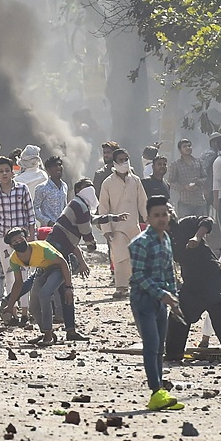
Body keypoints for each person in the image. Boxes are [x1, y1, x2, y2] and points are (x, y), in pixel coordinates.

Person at [45, 179, 128, 341]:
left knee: (57, 288)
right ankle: (66, 329)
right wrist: (91, 244)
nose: (90, 188)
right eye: (86, 186)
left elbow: (92, 219)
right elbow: (86, 229)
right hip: (58, 250)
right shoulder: (78, 205)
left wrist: (114, 218)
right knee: (60, 289)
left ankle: (68, 329)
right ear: (78, 190)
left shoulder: (79, 205)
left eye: (91, 185)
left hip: (60, 249)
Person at [128, 195, 184, 411]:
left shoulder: (166, 239)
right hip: (144, 300)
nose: (161, 219)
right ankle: (155, 392)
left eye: (164, 214)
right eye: (156, 215)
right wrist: (162, 294)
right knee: (151, 345)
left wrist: (173, 297)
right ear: (148, 218)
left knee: (160, 346)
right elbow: (139, 276)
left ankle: (160, 390)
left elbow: (169, 270)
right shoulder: (140, 243)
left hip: (162, 300)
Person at [164, 215, 221, 360]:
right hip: (191, 280)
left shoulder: (186, 224)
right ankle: (173, 354)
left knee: (214, 308)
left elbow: (207, 220)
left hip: (210, 274)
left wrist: (197, 237)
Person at [0, 229, 75, 347]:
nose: (19, 242)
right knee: (33, 308)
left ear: (26, 238)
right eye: (15, 241)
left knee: (44, 295)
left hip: (58, 269)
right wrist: (10, 305)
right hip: (42, 270)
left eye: (21, 239)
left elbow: (63, 263)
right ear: (11, 245)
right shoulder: (14, 259)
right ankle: (46, 332)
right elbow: (18, 283)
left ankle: (48, 335)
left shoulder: (40, 249)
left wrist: (68, 287)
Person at [0, 155, 37, 313]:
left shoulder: (22, 189)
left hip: (21, 238)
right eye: (0, 171)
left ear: (12, 172)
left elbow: (30, 214)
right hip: (4, 237)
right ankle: (12, 309)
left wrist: (31, 234)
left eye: (7, 170)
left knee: (24, 271)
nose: (4, 174)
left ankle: (25, 310)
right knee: (9, 272)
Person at [99, 148, 146, 299]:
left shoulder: (135, 180)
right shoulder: (108, 183)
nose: (124, 162)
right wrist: (106, 228)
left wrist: (149, 220)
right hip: (116, 227)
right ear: (114, 162)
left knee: (136, 257)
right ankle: (121, 287)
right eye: (121, 160)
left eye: (126, 159)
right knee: (120, 257)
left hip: (133, 225)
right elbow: (103, 207)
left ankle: (137, 285)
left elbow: (143, 203)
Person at [167, 139, 209, 216]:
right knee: (185, 226)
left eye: (189, 146)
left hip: (200, 201)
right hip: (185, 201)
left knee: (202, 225)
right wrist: (184, 187)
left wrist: (198, 183)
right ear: (180, 150)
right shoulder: (175, 165)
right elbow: (171, 182)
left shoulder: (199, 162)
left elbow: (205, 178)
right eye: (184, 146)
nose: (188, 148)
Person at [33, 155, 69, 227]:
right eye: (55, 166)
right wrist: (48, 222)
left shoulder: (64, 186)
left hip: (62, 227)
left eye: (59, 165)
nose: (58, 167)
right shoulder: (42, 188)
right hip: (48, 229)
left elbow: (65, 206)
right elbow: (35, 209)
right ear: (48, 169)